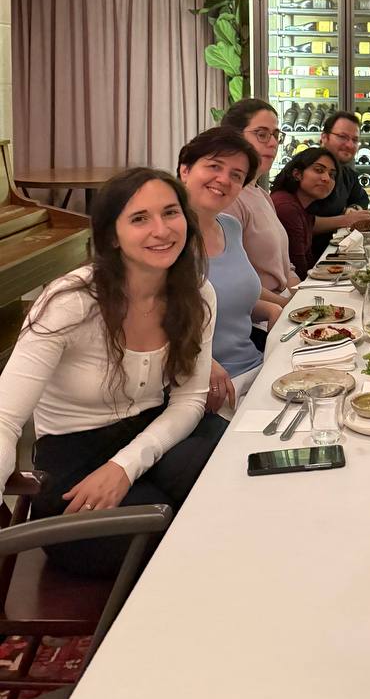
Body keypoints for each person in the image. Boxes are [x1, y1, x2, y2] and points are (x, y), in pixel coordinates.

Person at [0, 168, 226, 577]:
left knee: (228, 473)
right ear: (111, 236)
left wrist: (125, 465)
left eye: (170, 212)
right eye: (140, 218)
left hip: (152, 433)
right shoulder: (69, 303)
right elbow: (4, 418)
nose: (162, 230)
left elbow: (189, 400)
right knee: (157, 530)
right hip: (73, 454)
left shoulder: (197, 294)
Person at [178, 128, 280, 415]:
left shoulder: (230, 226)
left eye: (236, 175)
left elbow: (230, 300)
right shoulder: (167, 238)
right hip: (206, 389)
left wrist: (271, 310)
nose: (224, 179)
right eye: (214, 166)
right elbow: (148, 320)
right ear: (185, 169)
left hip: (256, 368)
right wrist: (201, 363)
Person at [220, 98, 298, 310]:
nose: (273, 143)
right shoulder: (229, 199)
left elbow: (285, 268)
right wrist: (288, 307)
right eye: (262, 134)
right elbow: (232, 281)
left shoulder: (261, 194)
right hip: (261, 316)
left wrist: (304, 299)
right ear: (234, 137)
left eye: (276, 135)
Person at [307, 110, 370, 255]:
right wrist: (346, 219)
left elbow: (361, 198)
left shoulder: (346, 173)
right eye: (342, 137)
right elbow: (301, 222)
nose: (350, 144)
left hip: (336, 253)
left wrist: (353, 208)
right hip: (308, 261)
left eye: (355, 140)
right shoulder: (307, 170)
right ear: (324, 137)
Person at [271, 146, 339, 279]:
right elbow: (299, 270)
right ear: (297, 174)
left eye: (332, 175)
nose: (326, 178)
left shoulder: (298, 205)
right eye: (319, 170)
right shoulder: (287, 208)